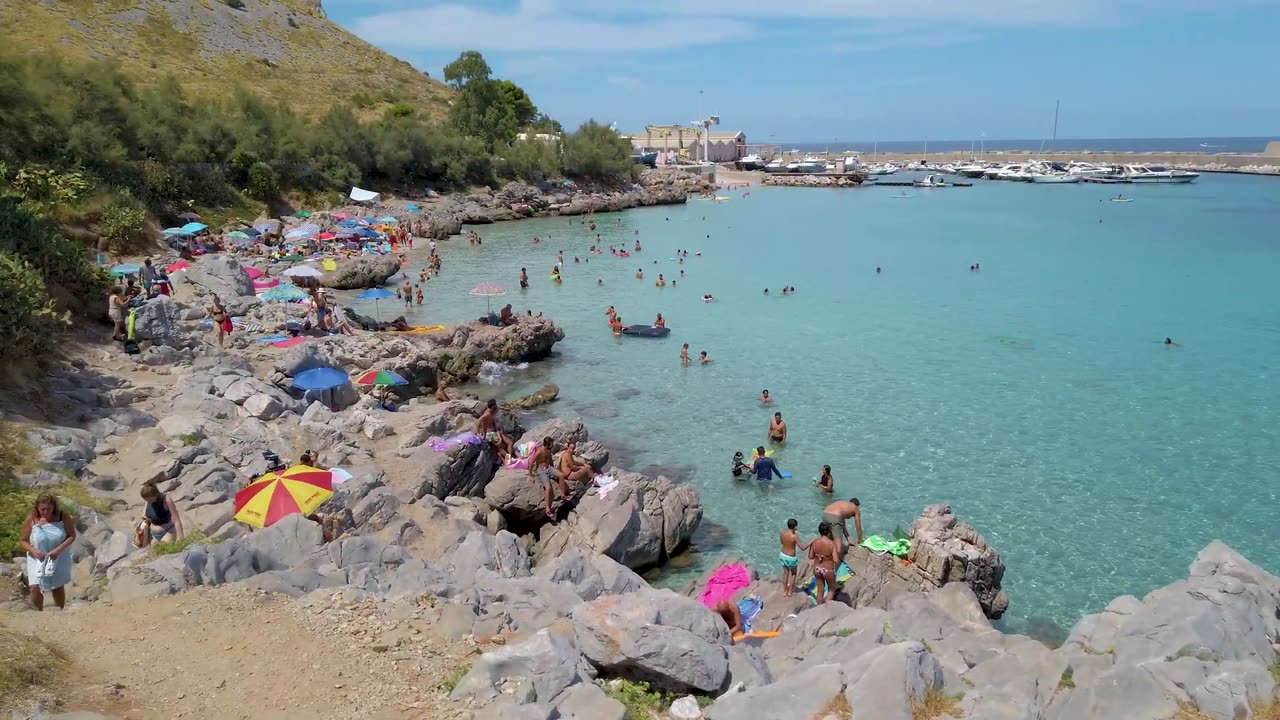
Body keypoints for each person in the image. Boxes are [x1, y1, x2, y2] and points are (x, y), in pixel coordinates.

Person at [19, 493, 75, 611]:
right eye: (42, 509)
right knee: (35, 586)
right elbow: (23, 540)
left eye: (48, 509)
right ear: (37, 508)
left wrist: (57, 550)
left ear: (54, 507)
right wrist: (34, 551)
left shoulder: (62, 517)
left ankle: (60, 609)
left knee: (57, 586)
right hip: (37, 556)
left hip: (58, 555)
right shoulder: (32, 519)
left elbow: (71, 536)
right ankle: (38, 612)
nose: (45, 512)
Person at [529, 437, 567, 519]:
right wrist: (530, 475)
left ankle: (563, 495)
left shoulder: (549, 450)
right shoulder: (539, 452)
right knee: (548, 488)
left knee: (561, 475)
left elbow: (549, 459)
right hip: (541, 471)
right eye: (551, 444)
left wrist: (553, 470)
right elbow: (531, 463)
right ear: (547, 444)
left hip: (549, 468)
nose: (553, 445)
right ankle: (547, 509)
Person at [808, 521, 838, 605]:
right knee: (832, 588)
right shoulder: (831, 544)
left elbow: (810, 556)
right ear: (829, 532)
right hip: (827, 569)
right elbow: (836, 560)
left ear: (819, 531)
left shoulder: (815, 542)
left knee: (820, 590)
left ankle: (819, 608)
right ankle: (827, 608)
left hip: (817, 569)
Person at [779, 519, 810, 597]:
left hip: (783, 554)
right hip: (791, 557)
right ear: (795, 527)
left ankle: (784, 591)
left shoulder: (782, 533)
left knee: (785, 573)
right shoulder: (794, 536)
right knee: (794, 573)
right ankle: (790, 592)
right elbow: (802, 548)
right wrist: (811, 542)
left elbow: (782, 543)